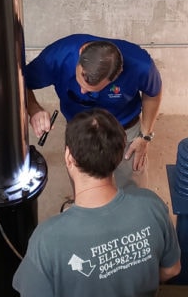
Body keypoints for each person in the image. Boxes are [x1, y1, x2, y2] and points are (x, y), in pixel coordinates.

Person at [12, 108, 181, 297]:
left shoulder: (48, 239)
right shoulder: (152, 207)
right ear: (119, 156)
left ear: (69, 157)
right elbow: (172, 269)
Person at [25, 34, 162, 188]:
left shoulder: (141, 64)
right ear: (81, 52)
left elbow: (153, 94)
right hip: (80, 128)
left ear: (118, 74)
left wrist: (145, 136)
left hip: (125, 127)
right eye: (79, 81)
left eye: (93, 89)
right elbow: (21, 82)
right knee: (86, 186)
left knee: (133, 185)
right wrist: (34, 108)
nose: (82, 91)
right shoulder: (58, 56)